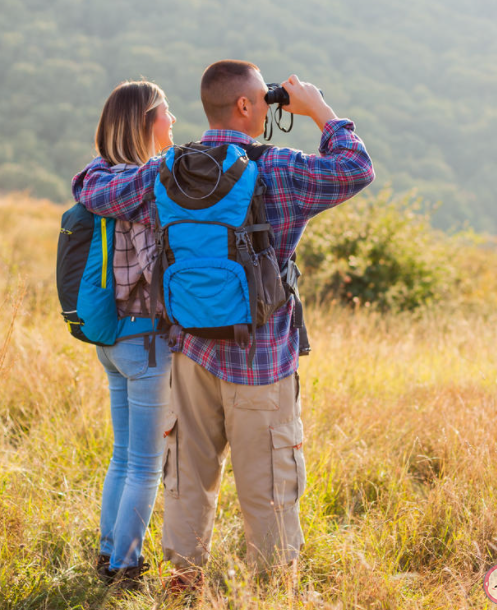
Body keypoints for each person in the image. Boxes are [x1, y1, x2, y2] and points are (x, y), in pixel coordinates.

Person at [72, 60, 374, 589]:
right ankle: (272, 588)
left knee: (188, 476)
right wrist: (318, 110)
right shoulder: (279, 168)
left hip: (191, 353)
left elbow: (90, 186)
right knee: (269, 484)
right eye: (263, 99)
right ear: (244, 106)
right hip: (261, 360)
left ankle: (183, 581)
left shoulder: (169, 170)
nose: (267, 105)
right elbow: (355, 169)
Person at [71, 80, 177, 589]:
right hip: (147, 340)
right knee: (145, 465)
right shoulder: (145, 183)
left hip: (112, 340)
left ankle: (109, 553)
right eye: (166, 113)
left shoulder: (96, 178)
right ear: (144, 121)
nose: (173, 122)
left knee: (122, 457)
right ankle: (127, 568)